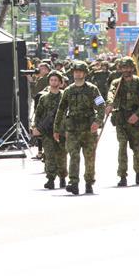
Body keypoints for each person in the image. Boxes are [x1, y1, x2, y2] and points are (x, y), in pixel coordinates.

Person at [54, 61, 105, 195]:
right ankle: (73, 183)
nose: (78, 73)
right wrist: (56, 129)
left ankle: (89, 182)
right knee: (74, 156)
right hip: (72, 129)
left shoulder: (92, 89)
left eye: (80, 71)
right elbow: (61, 110)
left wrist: (98, 122)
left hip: (88, 129)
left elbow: (101, 106)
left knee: (89, 157)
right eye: (76, 71)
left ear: (85, 73)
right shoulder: (68, 90)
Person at [107, 57, 139, 187]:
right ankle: (122, 175)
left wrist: (137, 114)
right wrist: (109, 104)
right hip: (121, 118)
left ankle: (138, 172)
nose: (126, 70)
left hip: (135, 119)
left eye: (128, 67)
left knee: (136, 147)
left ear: (132, 68)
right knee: (122, 146)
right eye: (123, 67)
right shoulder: (116, 82)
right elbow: (111, 93)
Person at [32, 71, 67, 190]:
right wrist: (35, 127)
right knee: (49, 155)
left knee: (62, 155)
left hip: (62, 131)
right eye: (51, 80)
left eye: (56, 80)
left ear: (60, 82)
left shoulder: (64, 96)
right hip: (47, 132)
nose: (53, 82)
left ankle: (62, 177)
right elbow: (38, 114)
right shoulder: (43, 98)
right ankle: (50, 179)